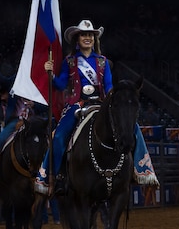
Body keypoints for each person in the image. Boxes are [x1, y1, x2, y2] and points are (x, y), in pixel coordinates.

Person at [34, 18, 159, 195]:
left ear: (95, 39)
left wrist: (111, 100)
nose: (87, 38)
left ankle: (142, 170)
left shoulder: (102, 62)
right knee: (59, 137)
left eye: (90, 35)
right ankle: (55, 177)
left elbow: (108, 86)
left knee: (132, 126)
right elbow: (61, 85)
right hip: (76, 106)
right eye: (84, 35)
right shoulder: (70, 61)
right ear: (77, 39)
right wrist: (50, 74)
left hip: (100, 104)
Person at [0, 49, 40, 177]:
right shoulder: (15, 80)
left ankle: (49, 175)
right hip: (16, 121)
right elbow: (1, 80)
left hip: (35, 121)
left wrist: (35, 104)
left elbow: (47, 104)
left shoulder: (40, 82)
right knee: (0, 140)